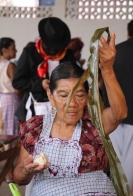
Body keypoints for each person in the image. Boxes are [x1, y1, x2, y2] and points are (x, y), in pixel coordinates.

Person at [13, 32, 128, 196]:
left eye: (79, 96)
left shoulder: (94, 123)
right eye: (63, 95)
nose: (72, 104)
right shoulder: (34, 127)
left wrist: (108, 69)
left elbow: (120, 113)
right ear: (50, 96)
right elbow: (19, 177)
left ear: (87, 97)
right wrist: (26, 171)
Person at [12, 17, 77, 123]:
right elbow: (17, 82)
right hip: (36, 107)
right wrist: (40, 84)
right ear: (42, 40)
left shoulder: (67, 55)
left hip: (62, 107)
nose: (53, 50)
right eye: (50, 46)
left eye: (57, 47)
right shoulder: (30, 53)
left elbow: (75, 79)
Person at [102, 20, 133, 195]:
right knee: (130, 168)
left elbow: (102, 83)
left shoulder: (115, 52)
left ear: (128, 31)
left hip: (113, 115)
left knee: (115, 163)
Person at [0, 37, 21, 182]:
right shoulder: (10, 65)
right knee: (12, 137)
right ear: (4, 50)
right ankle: (10, 173)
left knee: (5, 135)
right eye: (13, 47)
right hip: (11, 101)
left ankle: (8, 172)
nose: (16, 50)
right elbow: (17, 88)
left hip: (2, 101)